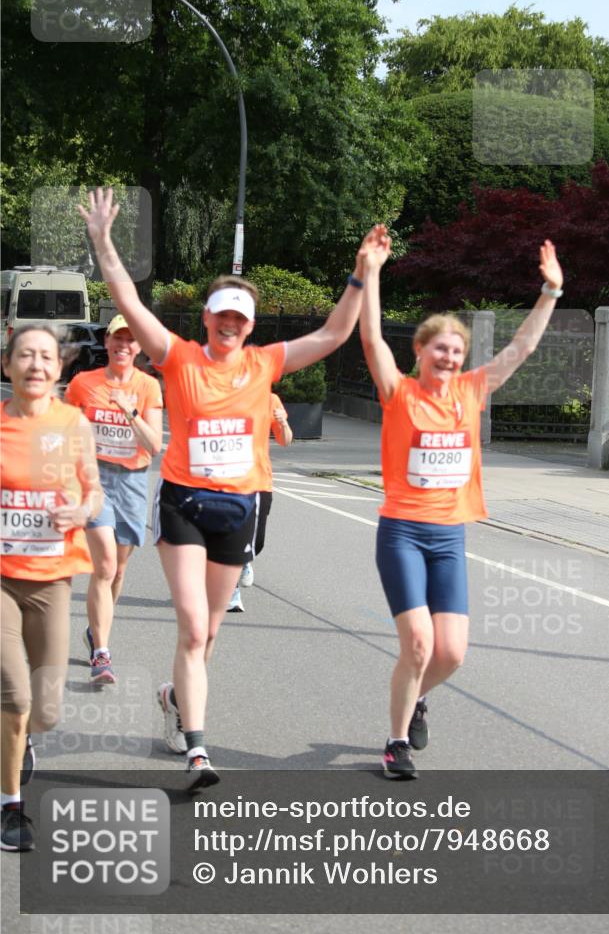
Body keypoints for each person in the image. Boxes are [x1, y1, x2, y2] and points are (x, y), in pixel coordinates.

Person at [78, 187, 388, 789]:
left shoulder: (264, 363)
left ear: (249, 326)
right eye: (221, 313)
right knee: (193, 628)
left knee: (211, 632)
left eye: (239, 317)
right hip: (184, 502)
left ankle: (173, 699)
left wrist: (359, 274)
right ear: (207, 318)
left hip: (237, 508)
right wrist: (102, 241)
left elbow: (331, 336)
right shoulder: (178, 356)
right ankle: (198, 750)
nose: (229, 322)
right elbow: (126, 299)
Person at [359, 232, 564, 779]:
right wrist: (371, 270)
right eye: (439, 348)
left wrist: (550, 292)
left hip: (450, 536)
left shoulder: (472, 390)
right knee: (420, 642)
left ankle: (417, 698)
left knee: (450, 653)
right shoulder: (398, 391)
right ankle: (396, 742)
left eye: (456, 350)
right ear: (420, 352)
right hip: (402, 531)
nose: (449, 356)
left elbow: (520, 349)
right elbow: (371, 335)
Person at [1, 325, 101, 850]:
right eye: (25, 356)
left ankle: (20, 744)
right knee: (14, 697)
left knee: (45, 710)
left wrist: (80, 511)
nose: (36, 365)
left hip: (52, 578)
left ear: (59, 369)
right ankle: (11, 806)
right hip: (0, 579)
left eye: (45, 357)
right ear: (8, 366)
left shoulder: (73, 425)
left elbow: (95, 494)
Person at [65, 314, 163, 684]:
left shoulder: (148, 387)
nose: (123, 346)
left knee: (118, 570)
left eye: (130, 340)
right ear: (106, 343)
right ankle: (102, 655)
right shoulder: (83, 384)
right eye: (117, 339)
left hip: (133, 481)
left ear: (139, 348)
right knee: (104, 567)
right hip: (94, 480)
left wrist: (129, 409)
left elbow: (153, 445)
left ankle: (96, 630)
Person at [227, 392, 293, 612]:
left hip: (259, 480)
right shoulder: (225, 394)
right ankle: (231, 592)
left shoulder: (270, 399)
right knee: (231, 536)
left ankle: (246, 559)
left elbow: (286, 440)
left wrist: (283, 423)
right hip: (229, 480)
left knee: (259, 540)